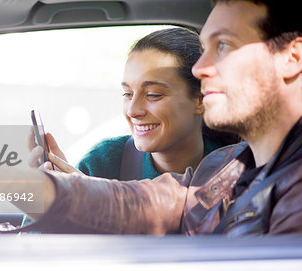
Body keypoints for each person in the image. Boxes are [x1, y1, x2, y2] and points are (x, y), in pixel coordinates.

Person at [0, 0, 302, 235]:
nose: (202, 68)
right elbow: (143, 205)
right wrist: (16, 179)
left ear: (291, 58)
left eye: (223, 46)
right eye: (203, 50)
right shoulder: (226, 167)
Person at [29, 28, 238, 181]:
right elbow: (32, 239)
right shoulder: (104, 162)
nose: (132, 111)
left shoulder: (238, 168)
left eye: (153, 95)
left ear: (201, 100)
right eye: (127, 93)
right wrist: (58, 199)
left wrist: (96, 202)